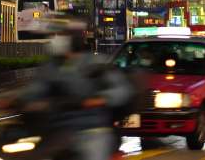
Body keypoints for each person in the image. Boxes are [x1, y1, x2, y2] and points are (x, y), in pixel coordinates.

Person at [14, 13, 133, 160]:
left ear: (74, 36)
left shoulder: (96, 62)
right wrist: (18, 100)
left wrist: (99, 100)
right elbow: (37, 89)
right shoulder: (50, 67)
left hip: (92, 130)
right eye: (54, 34)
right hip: (56, 130)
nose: (55, 38)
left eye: (60, 34)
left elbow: (122, 90)